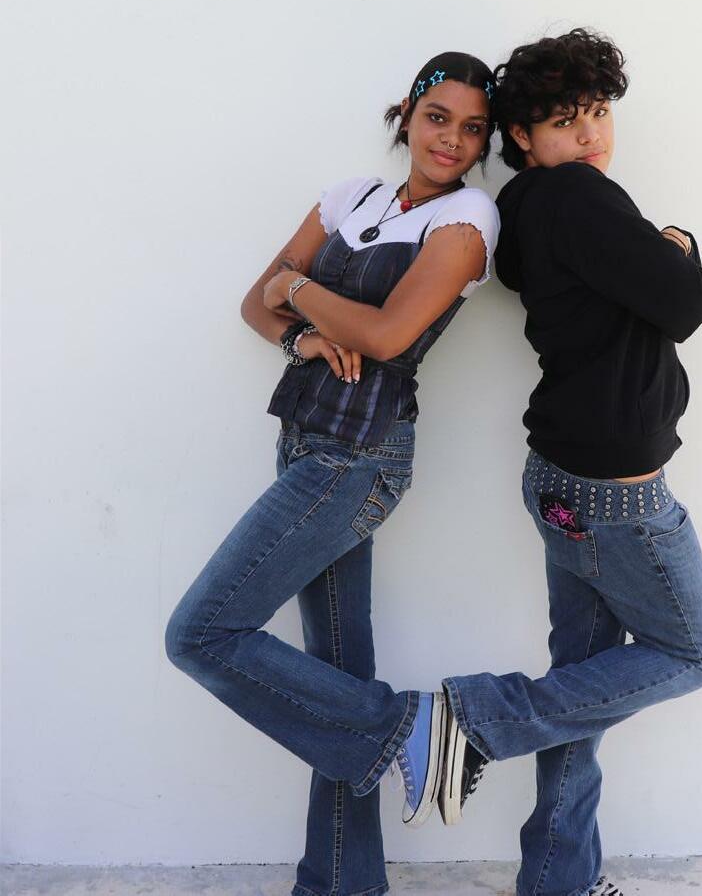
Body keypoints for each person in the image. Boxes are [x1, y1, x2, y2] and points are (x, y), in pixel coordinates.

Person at [165, 51, 500, 896]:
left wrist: (297, 287)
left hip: (360, 457)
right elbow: (256, 302)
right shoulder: (353, 196)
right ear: (407, 114)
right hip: (303, 440)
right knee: (333, 681)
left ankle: (414, 726)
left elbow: (385, 335)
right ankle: (343, 882)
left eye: (472, 129)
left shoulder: (468, 220)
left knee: (201, 633)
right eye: (437, 117)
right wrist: (298, 334)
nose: (451, 140)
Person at [435, 29, 702, 896]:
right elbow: (682, 305)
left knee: (585, 683)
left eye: (597, 112)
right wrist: (679, 242)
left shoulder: (529, 206)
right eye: (565, 121)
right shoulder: (578, 195)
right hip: (616, 496)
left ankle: (557, 882)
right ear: (523, 137)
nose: (591, 132)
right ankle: (472, 718)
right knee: (690, 653)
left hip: (561, 476)